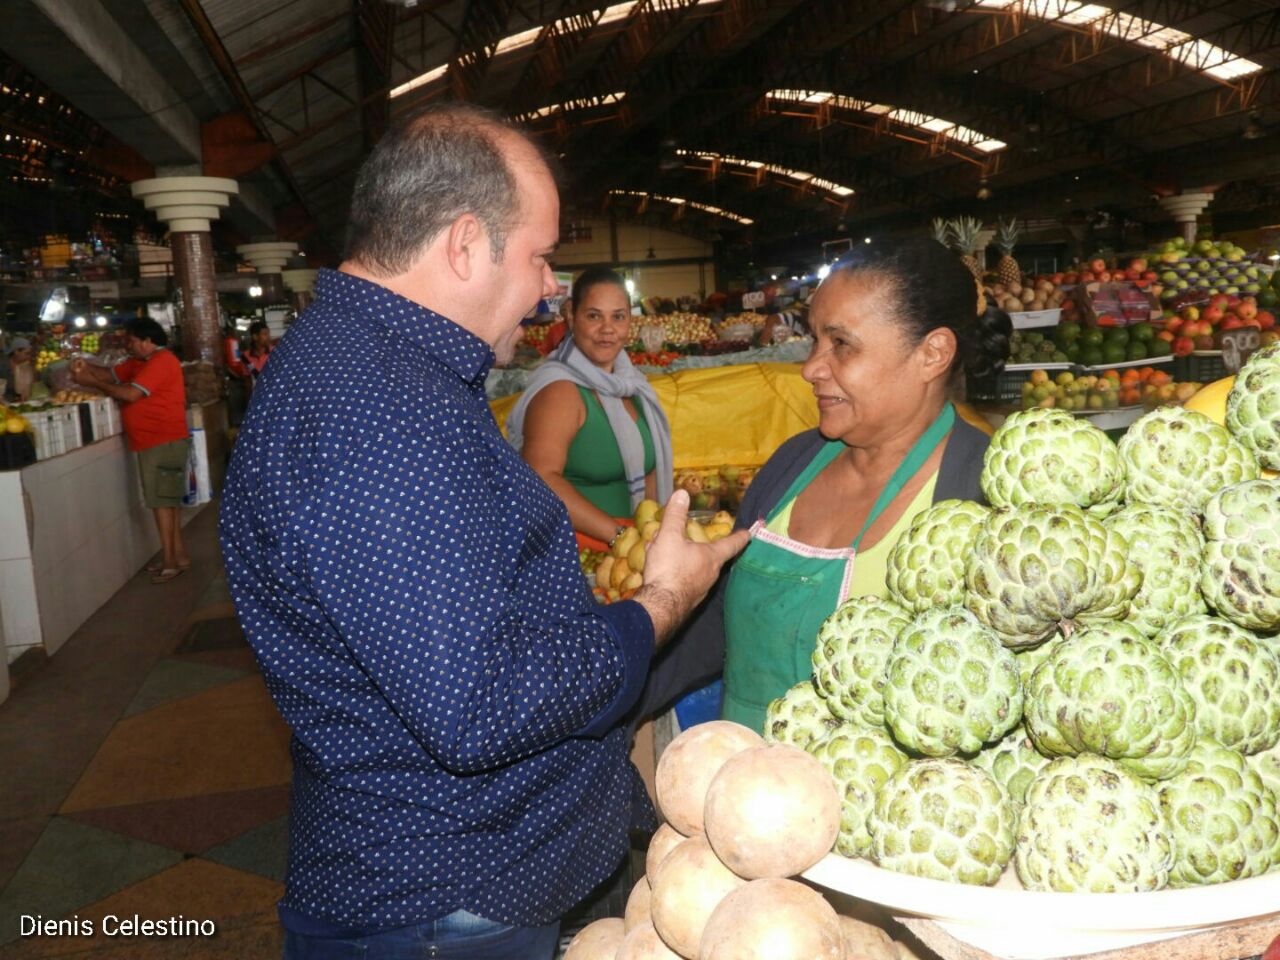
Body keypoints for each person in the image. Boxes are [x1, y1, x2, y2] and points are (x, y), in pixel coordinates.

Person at [218, 103, 746, 960]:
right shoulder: (377, 410)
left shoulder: (380, 368)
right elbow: (481, 701)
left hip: (436, 871)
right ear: (465, 244)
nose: (549, 288)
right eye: (540, 256)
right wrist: (660, 603)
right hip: (445, 895)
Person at [640, 238, 1011, 733]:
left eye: (842, 345)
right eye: (815, 340)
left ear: (933, 353)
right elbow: (718, 630)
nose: (811, 368)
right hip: (746, 793)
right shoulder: (792, 464)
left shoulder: (981, 495)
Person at [508, 267, 674, 545]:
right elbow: (541, 477)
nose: (607, 329)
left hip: (631, 553)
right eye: (594, 316)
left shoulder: (633, 387)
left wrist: (659, 536)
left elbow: (651, 475)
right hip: (577, 554)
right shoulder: (559, 391)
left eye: (618, 317)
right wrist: (620, 537)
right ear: (571, 315)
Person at [71, 318, 191, 583]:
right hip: (154, 440)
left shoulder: (162, 361)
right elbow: (110, 375)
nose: (130, 346)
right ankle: (178, 555)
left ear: (148, 341)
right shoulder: (141, 363)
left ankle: (170, 562)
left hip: (163, 440)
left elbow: (130, 395)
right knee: (166, 500)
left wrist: (94, 383)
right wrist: (85, 368)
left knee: (162, 502)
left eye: (133, 341)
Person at [3, 337, 35, 402]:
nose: (28, 356)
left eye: (29, 354)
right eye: (26, 353)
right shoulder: (3, 366)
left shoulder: (26, 366)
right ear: (16, 352)